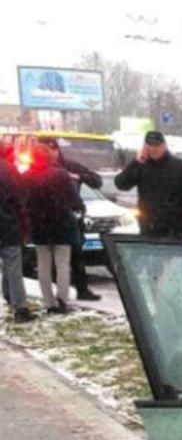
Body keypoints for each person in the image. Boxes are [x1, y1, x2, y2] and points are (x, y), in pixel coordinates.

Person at [26, 143, 83, 314]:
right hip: (61, 224)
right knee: (62, 264)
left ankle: (49, 302)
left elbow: (25, 200)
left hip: (39, 225)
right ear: (49, 156)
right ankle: (62, 301)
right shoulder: (60, 174)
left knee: (43, 264)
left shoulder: (28, 176)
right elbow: (73, 198)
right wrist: (79, 207)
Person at [43, 138, 103, 301]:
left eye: (54, 149)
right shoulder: (39, 170)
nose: (51, 154)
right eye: (47, 150)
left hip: (70, 218)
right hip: (46, 219)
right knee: (52, 260)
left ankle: (81, 289)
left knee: (76, 256)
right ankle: (56, 293)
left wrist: (78, 177)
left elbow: (96, 180)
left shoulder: (69, 166)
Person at [114, 131, 182, 239]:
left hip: (174, 231)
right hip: (148, 230)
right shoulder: (141, 166)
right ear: (145, 147)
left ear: (164, 145)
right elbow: (121, 184)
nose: (154, 149)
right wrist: (136, 162)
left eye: (157, 145)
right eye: (150, 145)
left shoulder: (180, 167)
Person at [0, 148, 36, 322]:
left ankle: (8, 295)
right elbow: (20, 194)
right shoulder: (8, 169)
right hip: (6, 225)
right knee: (13, 266)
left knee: (10, 265)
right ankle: (19, 308)